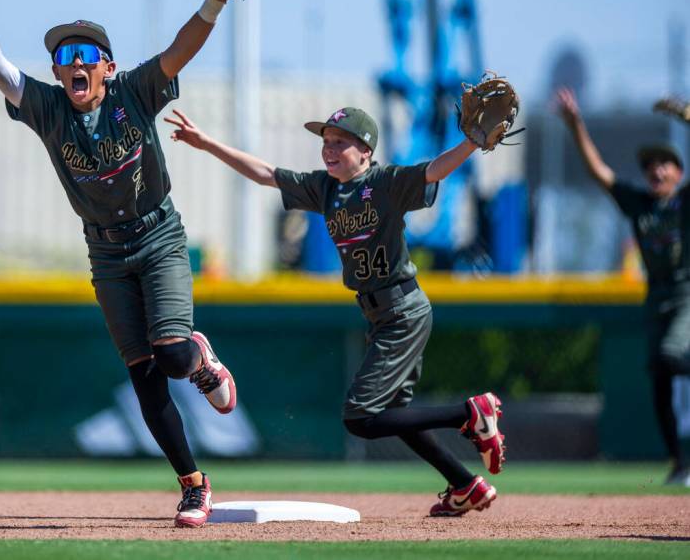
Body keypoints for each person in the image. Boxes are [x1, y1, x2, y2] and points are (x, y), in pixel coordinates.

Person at [0, 0, 238, 527]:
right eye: (63, 56)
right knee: (142, 375)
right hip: (105, 252)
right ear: (57, 72)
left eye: (86, 53)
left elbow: (180, 51)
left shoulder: (134, 91)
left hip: (157, 236)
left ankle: (201, 360)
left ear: (107, 65)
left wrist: (215, 0)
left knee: (174, 356)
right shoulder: (49, 108)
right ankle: (194, 485)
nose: (74, 63)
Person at [165, 106, 506, 516]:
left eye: (339, 142)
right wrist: (207, 144)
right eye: (325, 142)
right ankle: (465, 484)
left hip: (402, 309)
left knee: (360, 417)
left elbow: (434, 171)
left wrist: (471, 142)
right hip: (381, 315)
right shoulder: (325, 188)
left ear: (365, 150)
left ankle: (469, 413)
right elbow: (266, 173)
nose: (328, 150)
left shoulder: (385, 181)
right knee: (393, 414)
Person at [557, 87, 690, 486]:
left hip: (687, 295)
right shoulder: (639, 203)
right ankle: (680, 464)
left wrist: (686, 117)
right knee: (660, 379)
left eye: (665, 163)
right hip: (658, 299)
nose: (657, 169)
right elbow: (600, 171)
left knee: (671, 357)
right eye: (651, 164)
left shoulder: (685, 202)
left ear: (679, 173)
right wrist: (576, 124)